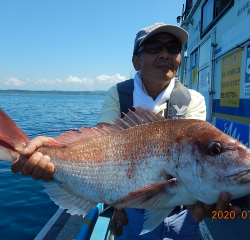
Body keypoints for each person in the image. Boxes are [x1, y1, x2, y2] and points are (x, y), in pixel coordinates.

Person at [11, 22, 241, 239]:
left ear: (179, 57)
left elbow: (197, 160)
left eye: (173, 48)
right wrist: (52, 149)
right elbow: (102, 139)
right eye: (153, 47)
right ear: (136, 62)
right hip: (133, 213)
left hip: (184, 213)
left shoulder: (193, 100)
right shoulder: (119, 93)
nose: (164, 54)